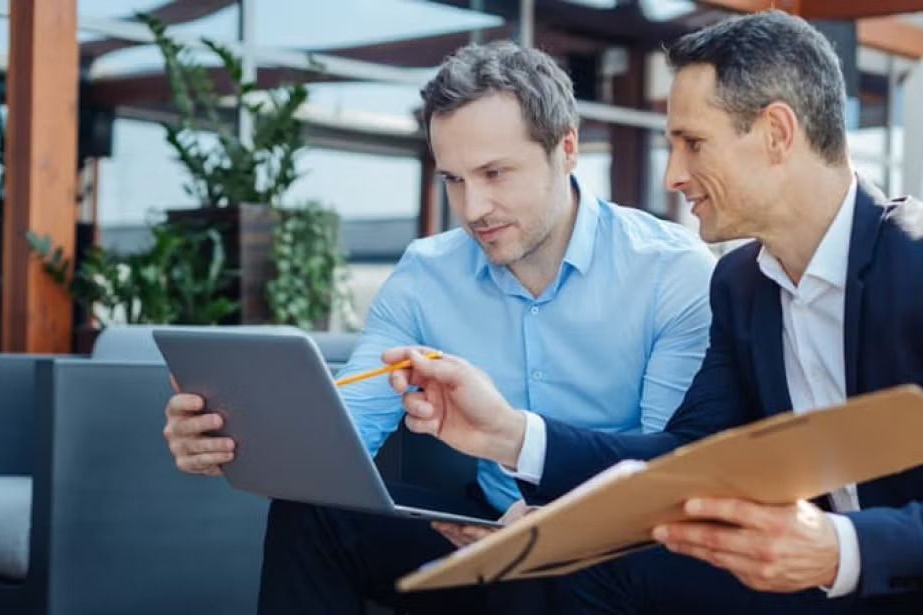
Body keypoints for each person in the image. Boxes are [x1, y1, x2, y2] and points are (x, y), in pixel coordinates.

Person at [387, 11, 923, 614]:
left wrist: (843, 546)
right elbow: (685, 460)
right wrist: (512, 436)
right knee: (593, 570)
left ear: (777, 133)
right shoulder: (741, 285)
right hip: (840, 577)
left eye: (692, 143)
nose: (673, 173)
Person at [161, 40, 716, 614]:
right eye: (453, 180)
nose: (474, 208)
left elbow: (662, 475)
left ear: (566, 148)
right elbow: (346, 433)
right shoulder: (428, 272)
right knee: (314, 514)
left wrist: (548, 531)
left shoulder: (672, 274)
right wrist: (235, 436)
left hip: (612, 545)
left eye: (495, 173)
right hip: (483, 525)